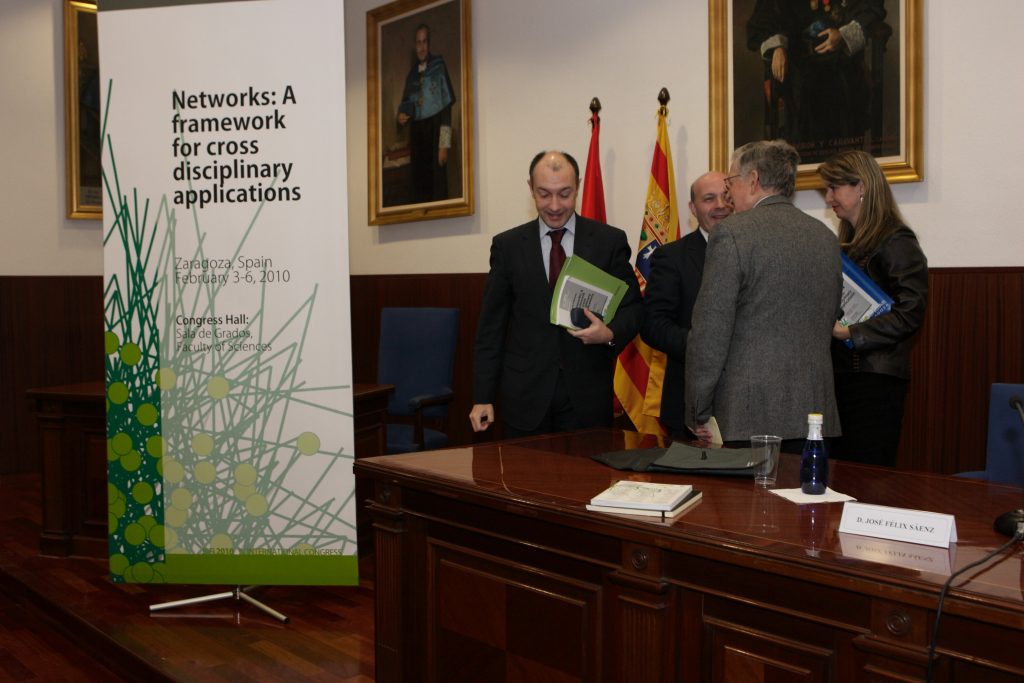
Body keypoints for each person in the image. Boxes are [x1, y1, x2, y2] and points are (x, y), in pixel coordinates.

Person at [469, 151, 642, 438]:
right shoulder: (508, 246)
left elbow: (634, 309)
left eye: (564, 194)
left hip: (587, 398)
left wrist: (609, 333)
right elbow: (491, 328)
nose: (554, 206)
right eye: (544, 194)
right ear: (530, 189)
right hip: (525, 398)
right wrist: (483, 396)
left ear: (578, 187)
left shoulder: (608, 241)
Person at [685, 140, 842, 452]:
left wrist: (698, 408)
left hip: (747, 415)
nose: (728, 193)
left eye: (731, 182)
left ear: (753, 180)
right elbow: (831, 315)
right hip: (813, 415)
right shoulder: (825, 236)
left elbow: (710, 332)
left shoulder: (731, 233)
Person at [819, 150, 927, 467]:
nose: (828, 198)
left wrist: (852, 333)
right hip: (845, 379)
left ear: (862, 186)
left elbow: (911, 312)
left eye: (835, 188)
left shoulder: (896, 239)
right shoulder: (849, 243)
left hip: (875, 384)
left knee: (867, 478)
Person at [641, 171, 733, 439]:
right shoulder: (672, 257)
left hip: (747, 405)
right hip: (689, 406)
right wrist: (704, 347)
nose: (720, 205)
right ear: (693, 208)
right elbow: (653, 325)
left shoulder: (757, 251)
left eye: (726, 197)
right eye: (709, 199)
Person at [746, 0, 886, 163]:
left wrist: (843, 35)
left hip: (842, 61)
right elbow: (764, 19)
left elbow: (872, 8)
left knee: (844, 93)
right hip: (797, 64)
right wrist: (777, 47)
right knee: (802, 94)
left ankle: (844, 165)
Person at [397, 23, 455, 203]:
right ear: (415, 45)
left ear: (429, 44)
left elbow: (446, 111)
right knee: (418, 190)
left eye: (424, 42)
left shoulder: (439, 67)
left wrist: (444, 145)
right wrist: (401, 117)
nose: (421, 47)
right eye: (418, 42)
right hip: (417, 139)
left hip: (435, 136)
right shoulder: (411, 76)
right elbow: (405, 106)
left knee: (437, 189)